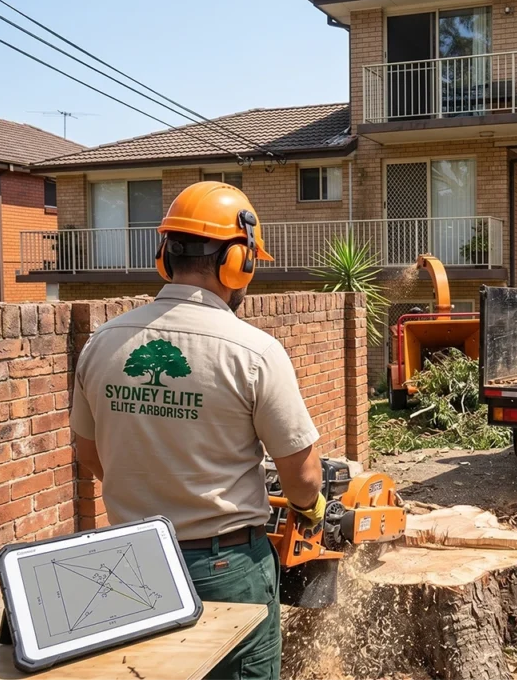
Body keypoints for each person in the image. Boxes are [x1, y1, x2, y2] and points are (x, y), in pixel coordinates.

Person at [70, 181, 325, 679]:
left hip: (130, 560)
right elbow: (305, 476)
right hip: (224, 568)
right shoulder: (254, 352)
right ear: (239, 262)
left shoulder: (103, 342)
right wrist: (307, 510)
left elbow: (88, 451)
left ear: (165, 256)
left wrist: (154, 486)